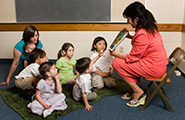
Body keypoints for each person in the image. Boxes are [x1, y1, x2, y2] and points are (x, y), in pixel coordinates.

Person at [109, 1, 168, 107]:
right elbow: (145, 43)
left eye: (129, 19)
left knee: (117, 62)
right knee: (124, 63)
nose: (128, 22)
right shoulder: (149, 28)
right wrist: (130, 36)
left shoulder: (142, 33)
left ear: (136, 18)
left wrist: (116, 54)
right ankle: (131, 89)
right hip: (159, 64)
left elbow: (133, 58)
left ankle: (137, 91)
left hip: (154, 67)